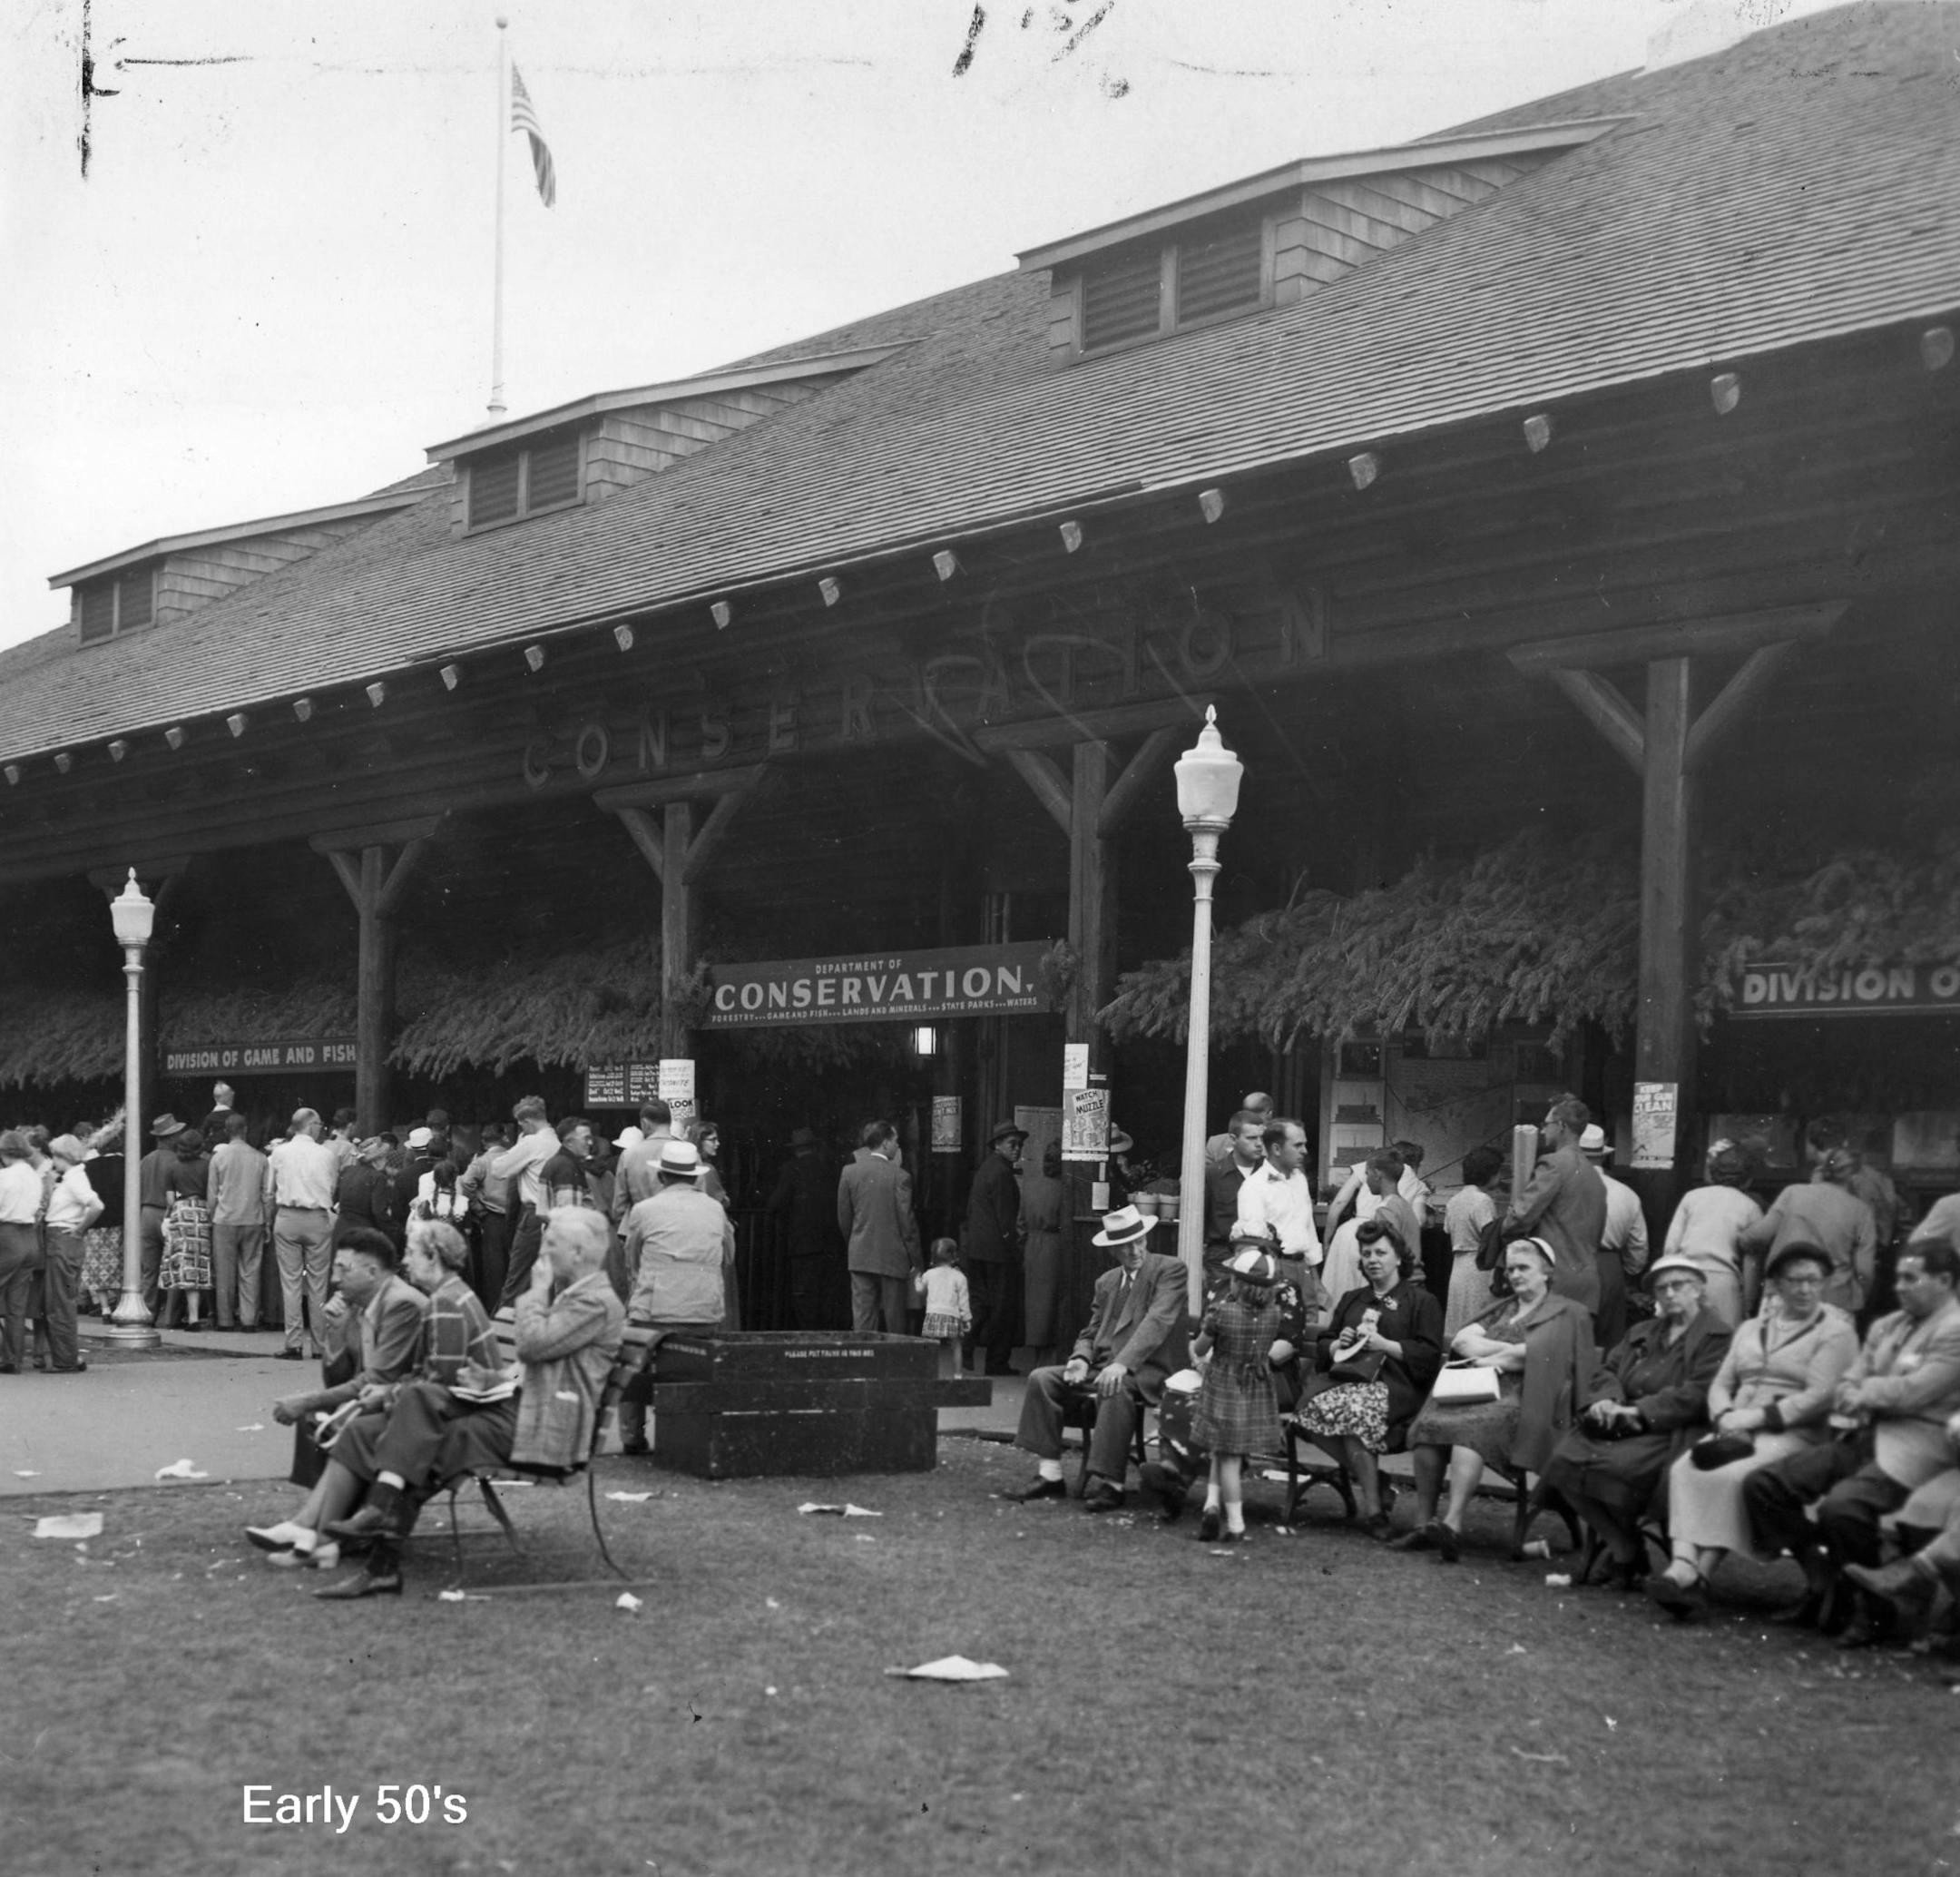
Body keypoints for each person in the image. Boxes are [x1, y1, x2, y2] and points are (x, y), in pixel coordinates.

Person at [315, 1206, 626, 1600]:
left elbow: (532, 1344)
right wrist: (491, 1378)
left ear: (578, 1254)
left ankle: (381, 1549)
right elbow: (542, 1361)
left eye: (551, 1244)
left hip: (549, 1429)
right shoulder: (578, 1295)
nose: (542, 1253)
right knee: (421, 1401)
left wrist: (531, 1293)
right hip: (528, 1414)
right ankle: (378, 1536)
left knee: (431, 1429)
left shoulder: (594, 1302)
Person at [1741, 1236, 1960, 1641]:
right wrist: (1865, 1391)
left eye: (1911, 1279)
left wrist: (1866, 1392)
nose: (1898, 1287)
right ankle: (1825, 1579)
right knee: (1766, 1486)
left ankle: (1873, 1612)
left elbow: (1918, 1390)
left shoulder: (1954, 1329)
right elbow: (1847, 1381)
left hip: (1920, 1450)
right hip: (1865, 1437)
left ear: (1945, 1280)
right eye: (1897, 1277)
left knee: (1842, 1508)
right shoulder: (1888, 1325)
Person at [1645, 1242, 1859, 1619]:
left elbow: (1819, 1396)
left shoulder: (1836, 1333)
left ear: (1825, 1283)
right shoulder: (1750, 1328)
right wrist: (1724, 1413)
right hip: (1736, 1429)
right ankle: (1682, 1563)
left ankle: (1695, 1575)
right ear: (1775, 1284)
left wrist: (1753, 1418)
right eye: (1795, 1280)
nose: (1805, 1289)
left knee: (1733, 1478)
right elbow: (1720, 1382)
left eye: (1814, 1280)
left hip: (1795, 1434)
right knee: (1686, 1469)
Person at [304, 1218, 504, 1553]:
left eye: (412, 1253)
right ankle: (326, 1531)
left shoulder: (444, 1303)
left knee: (358, 1428)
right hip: (459, 1412)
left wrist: (388, 1394)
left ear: (433, 1257)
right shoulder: (451, 1296)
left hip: (460, 1421)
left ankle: (329, 1534)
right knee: (355, 1427)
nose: (405, 1261)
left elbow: (438, 1384)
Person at [1395, 1236, 1594, 1560]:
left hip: (1529, 1400)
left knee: (1469, 1430)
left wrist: (1502, 1353)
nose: (1515, 1275)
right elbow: (1463, 1341)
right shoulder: (1503, 1307)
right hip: (1481, 1388)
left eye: (1524, 1268)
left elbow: (1540, 1357)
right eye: (1511, 1269)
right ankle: (1424, 1524)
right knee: (1430, 1426)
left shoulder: (1567, 1312)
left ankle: (1453, 1525)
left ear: (1546, 1271)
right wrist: (1507, 1352)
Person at [1540, 1253, 1730, 1588]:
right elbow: (1607, 1371)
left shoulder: (1717, 1337)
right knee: (1563, 1458)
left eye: (1679, 1285)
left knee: (1621, 1468)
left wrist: (1638, 1412)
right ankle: (1623, 1545)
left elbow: (1700, 1393)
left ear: (1699, 1289)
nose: (1670, 1293)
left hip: (1674, 1428)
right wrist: (1605, 1402)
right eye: (1662, 1288)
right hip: (1621, 1423)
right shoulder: (1642, 1331)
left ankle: (1627, 1554)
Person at [246, 1228, 431, 1568]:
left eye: (343, 1270)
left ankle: (318, 1530)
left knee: (333, 1420)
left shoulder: (400, 1304)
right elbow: (339, 1376)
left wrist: (308, 1400)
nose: (335, 1279)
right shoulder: (365, 1305)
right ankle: (316, 1527)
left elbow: (377, 1379)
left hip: (403, 1411)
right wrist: (336, 1329)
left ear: (372, 1272)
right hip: (385, 1402)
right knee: (319, 1419)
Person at [1005, 1204, 1191, 1511]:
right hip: (1105, 1366)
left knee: (1116, 1386)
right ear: (1112, 1250)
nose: (1134, 1251)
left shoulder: (1169, 1270)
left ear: (1147, 1238)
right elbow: (1091, 1331)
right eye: (1124, 1245)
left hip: (1149, 1369)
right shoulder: (1106, 1282)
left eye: (1138, 1241)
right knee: (1042, 1378)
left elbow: (1156, 1322)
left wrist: (1122, 1364)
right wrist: (1080, 1358)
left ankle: (1112, 1484)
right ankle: (1050, 1474)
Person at [1293, 1218, 1445, 1538]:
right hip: (1346, 1382)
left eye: (1380, 1252)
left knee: (1355, 1412)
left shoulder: (1421, 1301)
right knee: (1304, 1414)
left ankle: (1374, 1510)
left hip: (1395, 1386)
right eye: (1366, 1254)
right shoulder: (1352, 1298)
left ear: (1399, 1257)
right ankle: (1379, 1485)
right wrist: (1337, 1343)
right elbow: (1325, 1343)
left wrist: (1386, 1345)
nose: (1373, 1260)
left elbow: (1429, 1357)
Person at [615, 1139, 736, 1456]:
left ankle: (632, 1435)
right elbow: (728, 1256)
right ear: (696, 1177)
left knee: (630, 1364)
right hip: (704, 1312)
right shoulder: (715, 1210)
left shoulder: (643, 1211)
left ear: (661, 1177)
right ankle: (695, 1432)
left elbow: (634, 1261)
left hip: (654, 1311)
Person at [1190, 1248, 1285, 1543]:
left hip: (1225, 1385)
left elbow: (1202, 1349)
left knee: (1227, 1456)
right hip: (1255, 1386)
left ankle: (1235, 1524)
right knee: (1224, 1449)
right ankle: (1211, 1505)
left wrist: (1200, 1339)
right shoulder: (1275, 1313)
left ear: (1239, 1284)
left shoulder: (1222, 1312)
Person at [1502, 1094, 1606, 1326]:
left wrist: (1503, 1230)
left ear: (1561, 1126)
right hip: (1587, 1285)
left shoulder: (1554, 1164)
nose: (1542, 1131)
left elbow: (1520, 1217)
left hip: (1553, 1282)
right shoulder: (1594, 1177)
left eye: (1546, 1124)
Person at [1739, 1148, 1877, 1319]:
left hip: (1783, 1295)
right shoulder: (1862, 1212)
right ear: (1856, 1177)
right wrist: (1857, 1298)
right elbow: (1865, 1271)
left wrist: (1739, 1237)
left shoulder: (1792, 1193)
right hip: (1834, 1302)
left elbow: (1758, 1236)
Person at [1661, 1139, 1765, 1328]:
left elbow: (1670, 1247)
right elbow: (1752, 1263)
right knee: (1722, 1347)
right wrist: (1748, 1304)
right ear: (1748, 1179)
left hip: (1686, 1278)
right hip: (1726, 1284)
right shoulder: (1751, 1208)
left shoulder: (1692, 1198)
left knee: (1681, 1343)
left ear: (1713, 1172)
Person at [838, 1119, 924, 1339]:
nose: (897, 1146)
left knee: (863, 1320)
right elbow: (908, 1224)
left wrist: (856, 1241)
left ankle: (863, 1365)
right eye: (895, 1141)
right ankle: (895, 1365)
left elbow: (844, 1218)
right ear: (885, 1143)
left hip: (860, 1254)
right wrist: (916, 1261)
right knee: (895, 1321)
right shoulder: (901, 1176)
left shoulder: (849, 1172)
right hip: (893, 1257)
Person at [266, 1108, 339, 1361]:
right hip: (317, 1217)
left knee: (291, 1283)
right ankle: (319, 1346)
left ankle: (294, 1343)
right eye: (319, 1124)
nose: (321, 1128)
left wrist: (269, 1220)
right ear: (309, 1126)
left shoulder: (279, 1152)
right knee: (319, 1285)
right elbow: (331, 1186)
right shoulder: (326, 1155)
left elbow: (269, 1190)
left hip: (287, 1216)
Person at [1235, 1116, 1324, 1306]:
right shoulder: (1254, 1186)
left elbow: (1308, 1229)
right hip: (1275, 1270)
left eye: (1305, 1145)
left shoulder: (1299, 1179)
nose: (1305, 1151)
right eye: (1298, 1145)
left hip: (1305, 1269)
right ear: (1276, 1149)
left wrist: (1316, 1282)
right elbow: (1253, 1242)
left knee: (1310, 1326)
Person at [34, 1135, 102, 1373]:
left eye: (55, 1156)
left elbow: (96, 1205)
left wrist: (80, 1228)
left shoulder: (75, 1179)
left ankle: (66, 1359)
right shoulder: (71, 1178)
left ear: (64, 1156)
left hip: (62, 1237)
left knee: (59, 1302)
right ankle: (67, 1355)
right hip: (63, 1239)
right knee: (60, 1300)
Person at [768, 1125, 845, 1332]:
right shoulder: (829, 1169)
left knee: (804, 1297)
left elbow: (776, 1203)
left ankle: (808, 1336)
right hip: (830, 1242)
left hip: (802, 1243)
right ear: (814, 1147)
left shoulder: (790, 1169)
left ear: (795, 1149)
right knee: (827, 1294)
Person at [964, 1120, 1025, 1375]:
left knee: (980, 1304)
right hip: (998, 1253)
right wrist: (1015, 1251)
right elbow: (1005, 1219)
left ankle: (965, 1349)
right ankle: (996, 1362)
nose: (1017, 1149)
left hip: (977, 1249)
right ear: (998, 1145)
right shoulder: (1002, 1173)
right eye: (1012, 1144)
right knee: (1002, 1308)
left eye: (1020, 1145)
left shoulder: (987, 1168)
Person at [1580, 1125, 1649, 1349]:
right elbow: (1639, 1248)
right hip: (1610, 1268)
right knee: (1608, 1341)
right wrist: (1627, 1273)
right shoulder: (1626, 1194)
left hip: (1570, 1261)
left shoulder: (1561, 1187)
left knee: (1569, 1339)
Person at [491, 1096, 561, 1304]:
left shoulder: (531, 1142)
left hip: (532, 1214)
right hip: (554, 1214)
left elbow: (498, 1169)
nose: (521, 1128)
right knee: (546, 1276)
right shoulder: (556, 1142)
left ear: (529, 1121)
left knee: (517, 1275)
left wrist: (519, 1144)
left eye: (521, 1124)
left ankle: (504, 1322)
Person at [208, 1113, 268, 1332]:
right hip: (253, 1218)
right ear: (245, 1130)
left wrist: (210, 1217)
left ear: (227, 1131)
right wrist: (267, 1221)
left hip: (225, 1219)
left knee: (224, 1272)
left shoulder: (218, 1158)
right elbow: (266, 1195)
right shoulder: (259, 1158)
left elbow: (212, 1194)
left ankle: (225, 1320)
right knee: (250, 1270)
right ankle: (248, 1319)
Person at [1442, 1146, 1504, 1341]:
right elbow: (1489, 1235)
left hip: (1458, 1266)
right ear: (1490, 1173)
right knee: (1477, 1319)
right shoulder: (1483, 1201)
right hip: (1479, 1265)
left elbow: (1447, 1230)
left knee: (1458, 1318)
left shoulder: (1454, 1200)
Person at [0, 1131, 48, 1375]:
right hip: (30, 1237)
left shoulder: (4, 1176)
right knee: (16, 1304)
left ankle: (9, 1356)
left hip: (7, 1235)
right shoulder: (34, 1176)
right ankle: (12, 1359)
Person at [157, 1125, 213, 1329]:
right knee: (200, 1262)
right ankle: (196, 1316)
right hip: (201, 1211)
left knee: (183, 1264)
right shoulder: (207, 1166)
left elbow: (170, 1200)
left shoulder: (172, 1167)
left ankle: (190, 1317)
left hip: (181, 1214)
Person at [1204, 1109, 1268, 1279]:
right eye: (1251, 1138)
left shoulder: (1270, 1173)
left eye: (1262, 1137)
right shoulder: (1213, 1174)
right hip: (1221, 1259)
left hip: (1263, 1257)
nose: (1259, 1144)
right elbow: (1201, 1220)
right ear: (1233, 1139)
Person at [457, 1121, 514, 1312]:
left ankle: (494, 1309)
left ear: (483, 1141)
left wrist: (477, 1206)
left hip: (490, 1218)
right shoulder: (514, 1157)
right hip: (513, 1216)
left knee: (494, 1267)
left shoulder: (481, 1162)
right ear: (503, 1138)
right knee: (513, 1265)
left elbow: (465, 1184)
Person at [1020, 1138, 1066, 1365]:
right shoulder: (1064, 1189)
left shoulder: (1029, 1186)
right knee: (1052, 1303)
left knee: (1035, 1303)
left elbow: (1019, 1223)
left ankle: (1036, 1357)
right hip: (1055, 1246)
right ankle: (1048, 1360)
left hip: (1032, 1246)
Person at [137, 1113, 185, 1314]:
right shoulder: (177, 1161)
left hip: (146, 1213)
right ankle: (170, 1315)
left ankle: (148, 1310)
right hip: (169, 1214)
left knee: (149, 1269)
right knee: (174, 1266)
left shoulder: (145, 1161)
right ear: (171, 1137)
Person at [79, 1121, 125, 1318]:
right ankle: (122, 1302)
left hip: (97, 1222)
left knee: (98, 1265)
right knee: (121, 1263)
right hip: (120, 1221)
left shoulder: (89, 1167)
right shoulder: (126, 1165)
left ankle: (105, 1307)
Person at [914, 1237, 973, 1379]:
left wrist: (916, 1280)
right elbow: (963, 1300)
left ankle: (929, 1374)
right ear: (954, 1256)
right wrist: (966, 1318)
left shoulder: (929, 1274)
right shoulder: (960, 1277)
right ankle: (958, 1375)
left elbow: (920, 1290)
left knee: (931, 1346)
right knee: (956, 1345)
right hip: (952, 1315)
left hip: (933, 1314)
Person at [1205, 1092, 1273, 1172]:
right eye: (1251, 1138)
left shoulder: (1216, 1143)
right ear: (1270, 1114)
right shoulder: (1277, 1145)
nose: (1258, 1143)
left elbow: (1199, 1177)